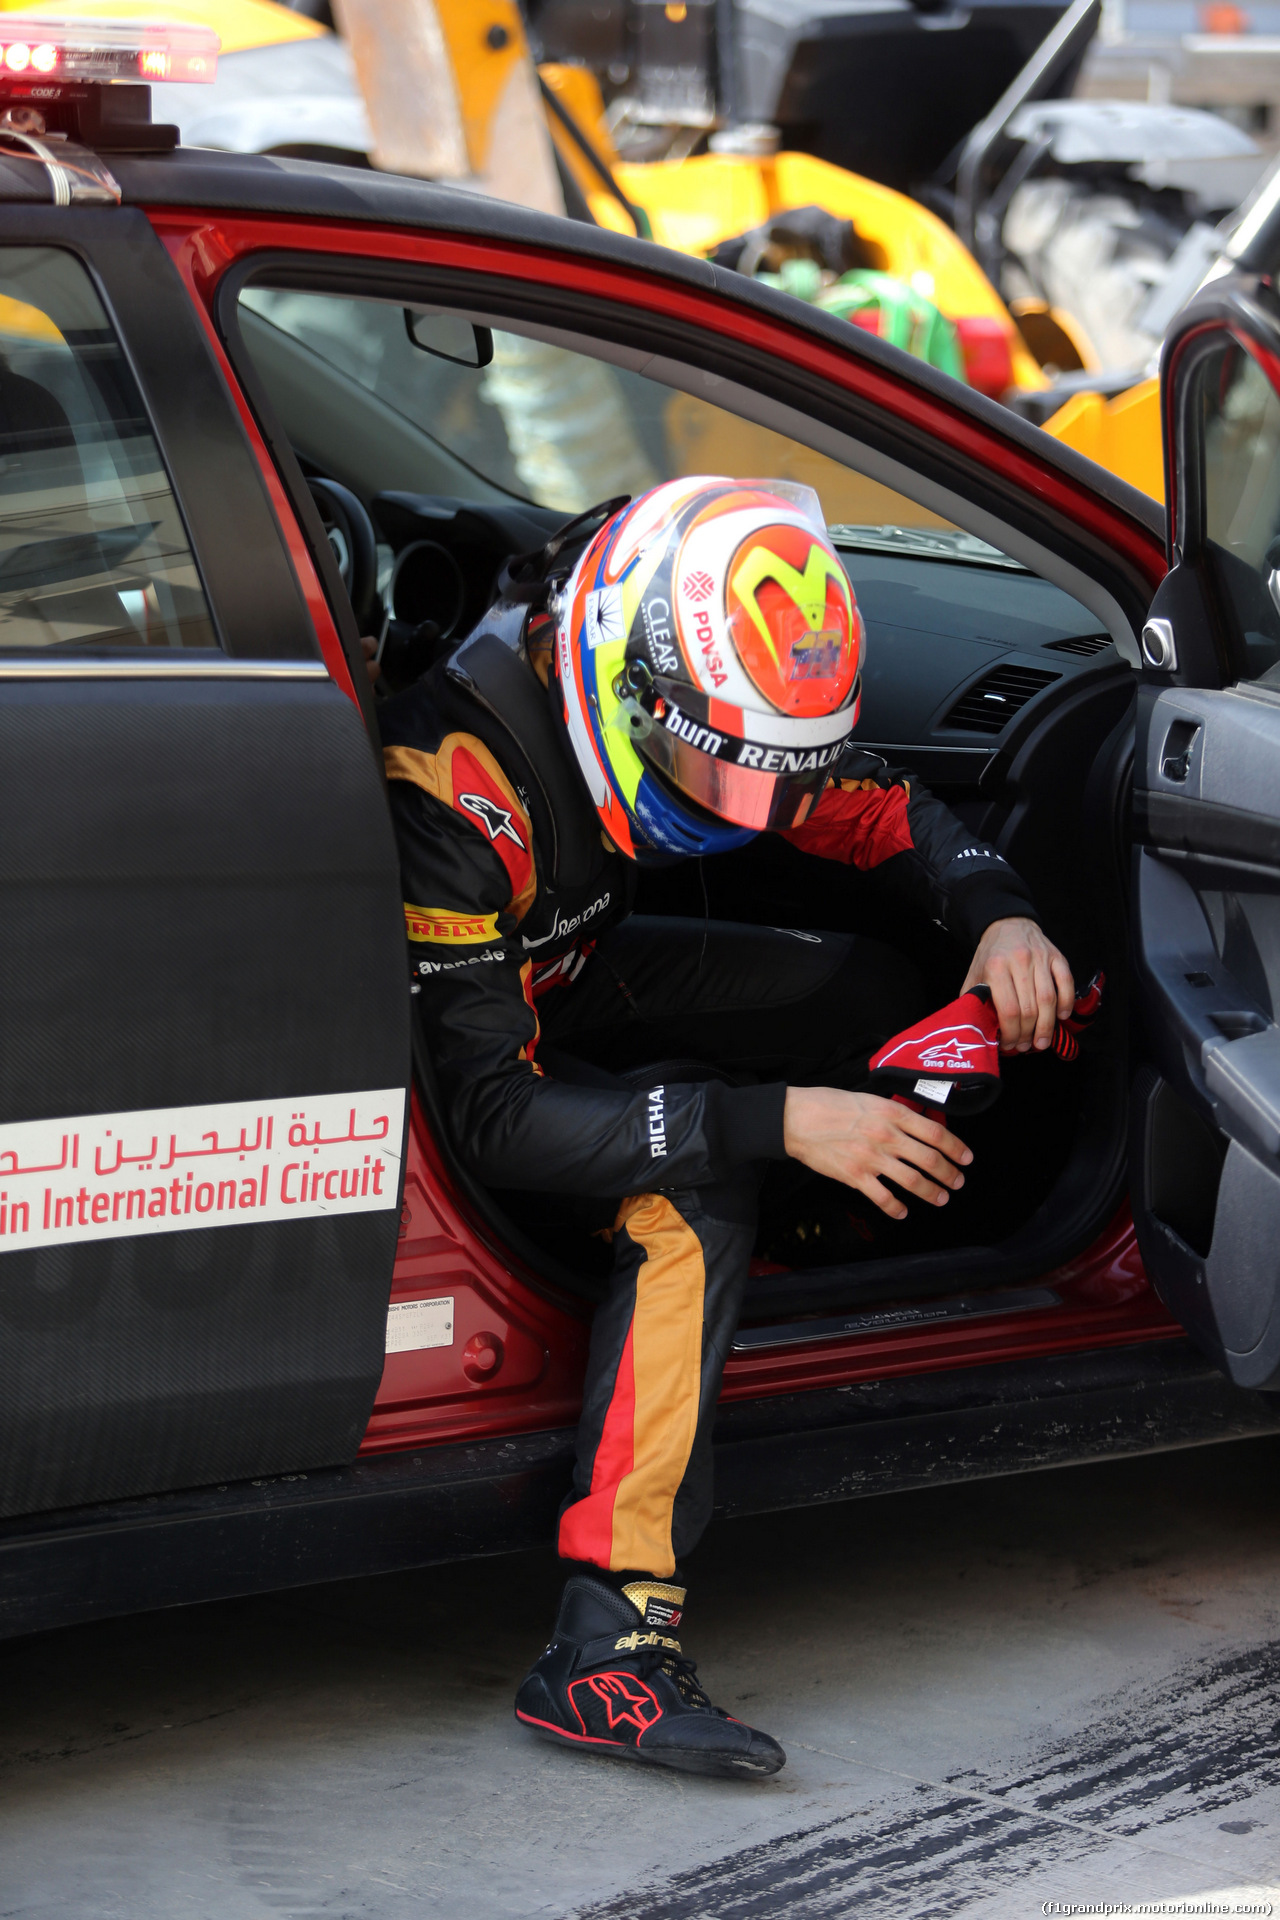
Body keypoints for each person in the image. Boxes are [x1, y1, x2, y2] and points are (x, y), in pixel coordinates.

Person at [378, 477, 1074, 1780]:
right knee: (694, 1201)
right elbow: (493, 1122)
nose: (743, 806)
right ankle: (605, 1647)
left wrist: (1000, 912)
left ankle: (805, 1243)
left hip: (581, 971)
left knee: (867, 989)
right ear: (611, 677)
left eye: (760, 771)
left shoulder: (717, 696)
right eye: (708, 767)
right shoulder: (452, 784)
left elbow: (864, 803)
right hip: (494, 1072)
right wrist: (772, 1126)